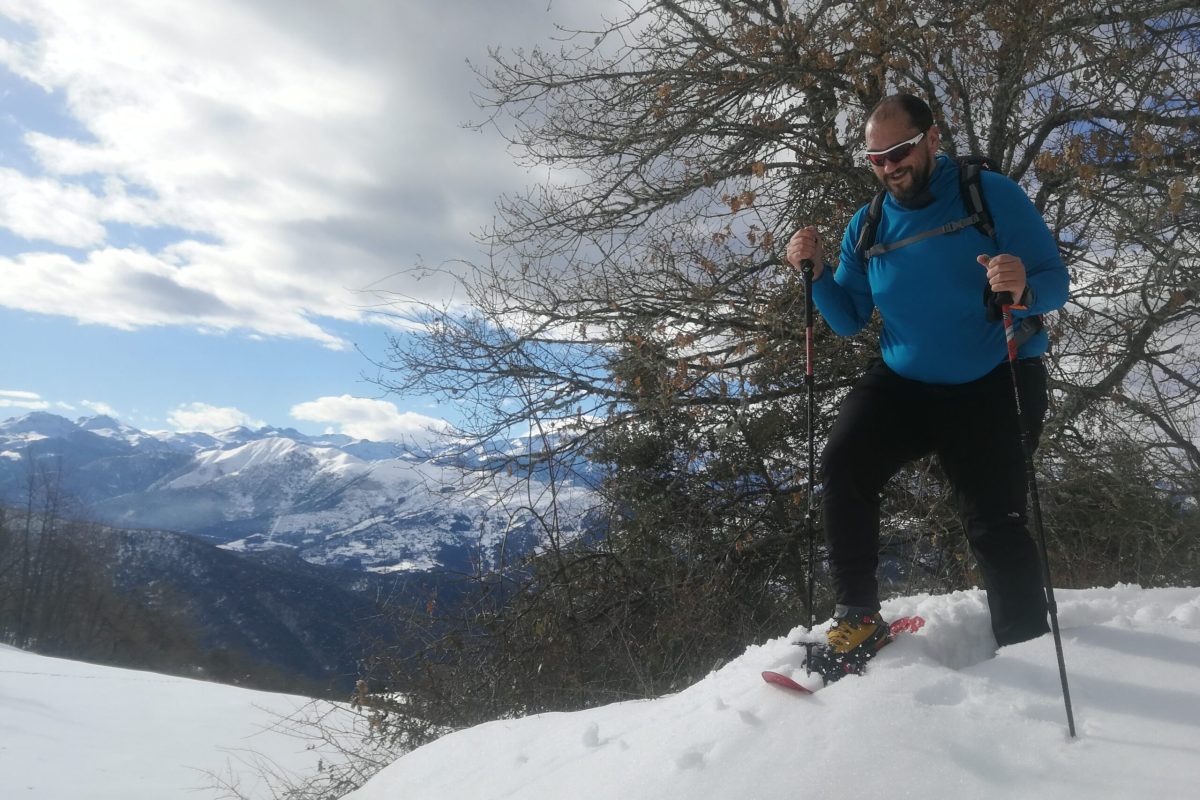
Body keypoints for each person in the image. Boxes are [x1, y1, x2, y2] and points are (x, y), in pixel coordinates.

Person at [785, 94, 1069, 677]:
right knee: (844, 463)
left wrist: (1023, 285)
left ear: (932, 139)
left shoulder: (989, 196)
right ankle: (859, 615)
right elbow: (847, 318)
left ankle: (1026, 649)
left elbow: (1055, 280)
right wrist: (814, 276)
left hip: (993, 376)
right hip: (906, 381)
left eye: (900, 151)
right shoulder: (868, 225)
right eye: (877, 158)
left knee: (995, 519)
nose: (890, 166)